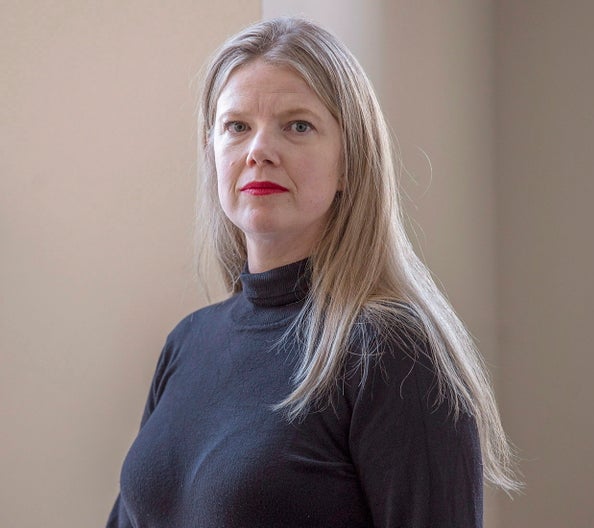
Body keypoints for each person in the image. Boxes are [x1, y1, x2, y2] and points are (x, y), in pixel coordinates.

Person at [107, 16, 520, 528]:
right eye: (236, 126)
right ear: (212, 152)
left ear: (350, 161)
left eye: (297, 126)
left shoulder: (394, 352)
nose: (259, 150)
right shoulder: (187, 343)